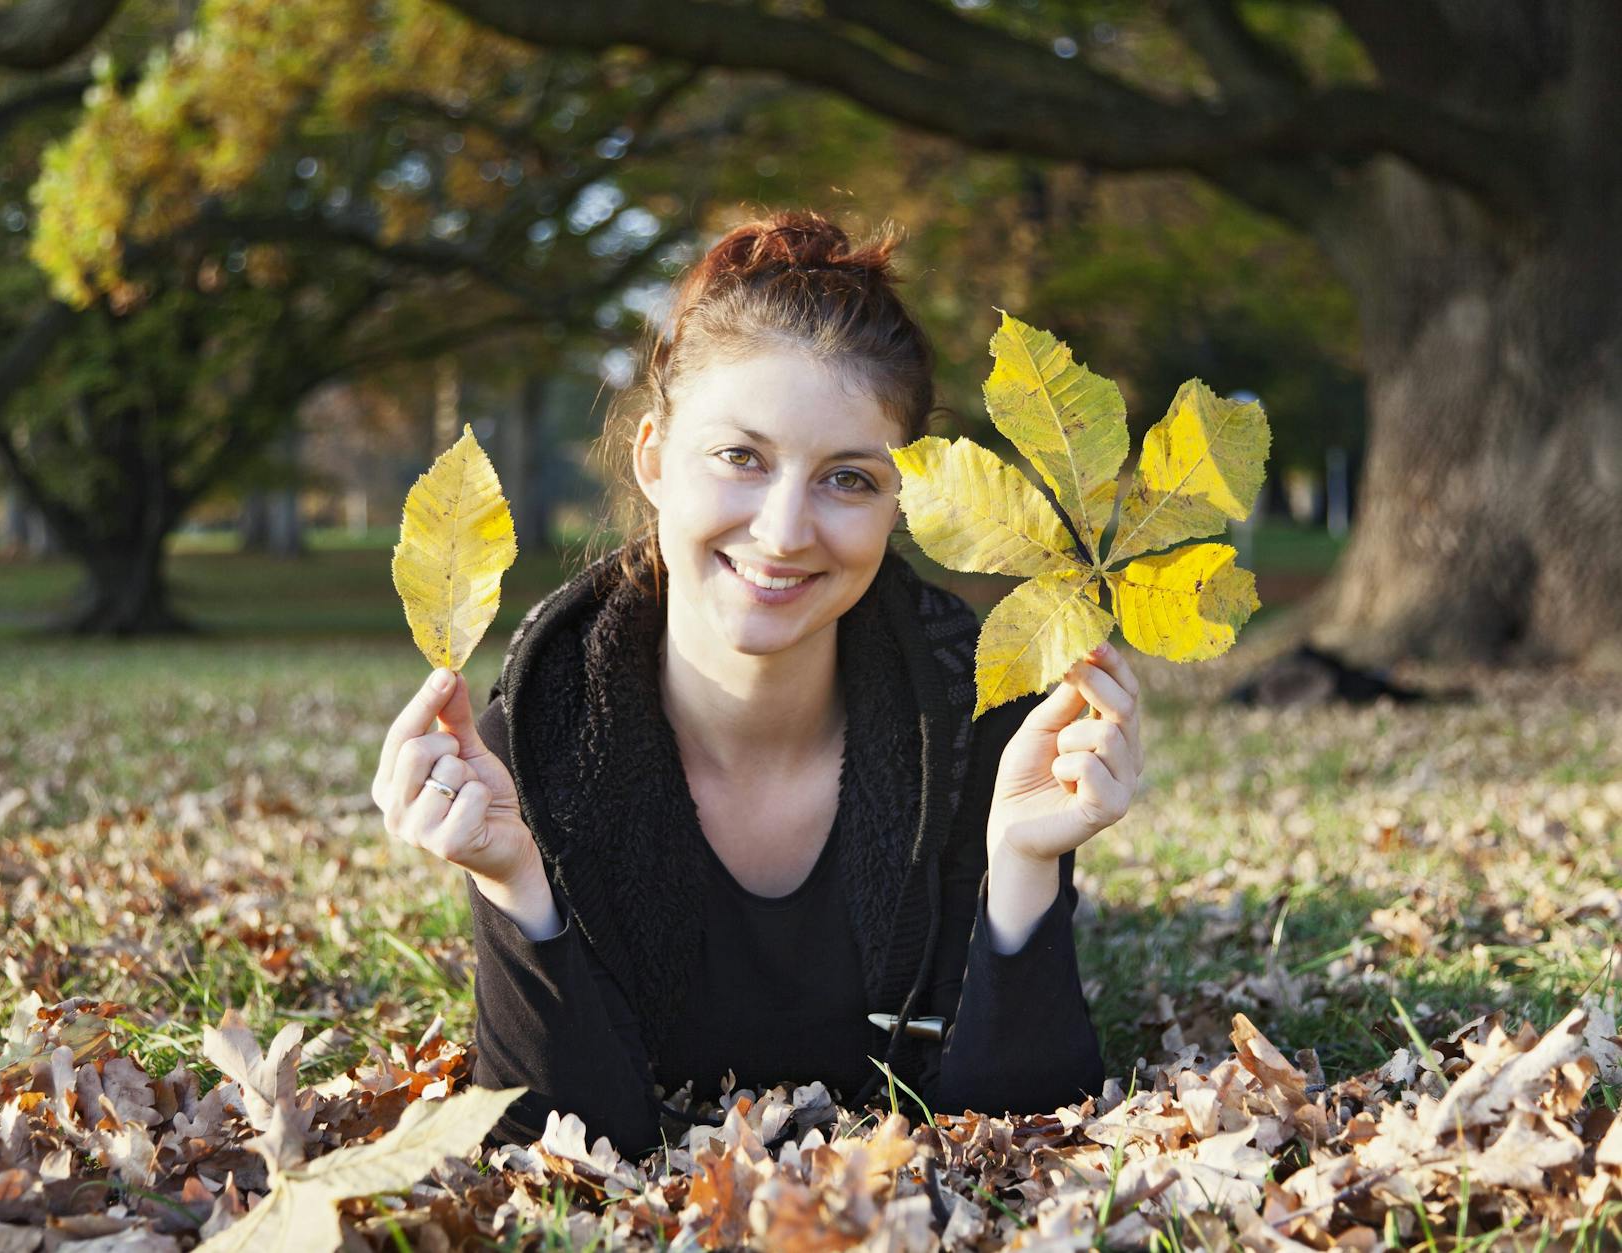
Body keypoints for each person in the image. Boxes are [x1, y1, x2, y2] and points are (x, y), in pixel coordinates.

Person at [370, 209, 1144, 1157]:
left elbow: (1023, 1122)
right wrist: (515, 884)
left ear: (904, 500)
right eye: (741, 457)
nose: (783, 531)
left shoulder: (979, 722)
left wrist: (1023, 869)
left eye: (848, 479)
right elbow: (556, 1143)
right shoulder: (540, 734)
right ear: (654, 460)